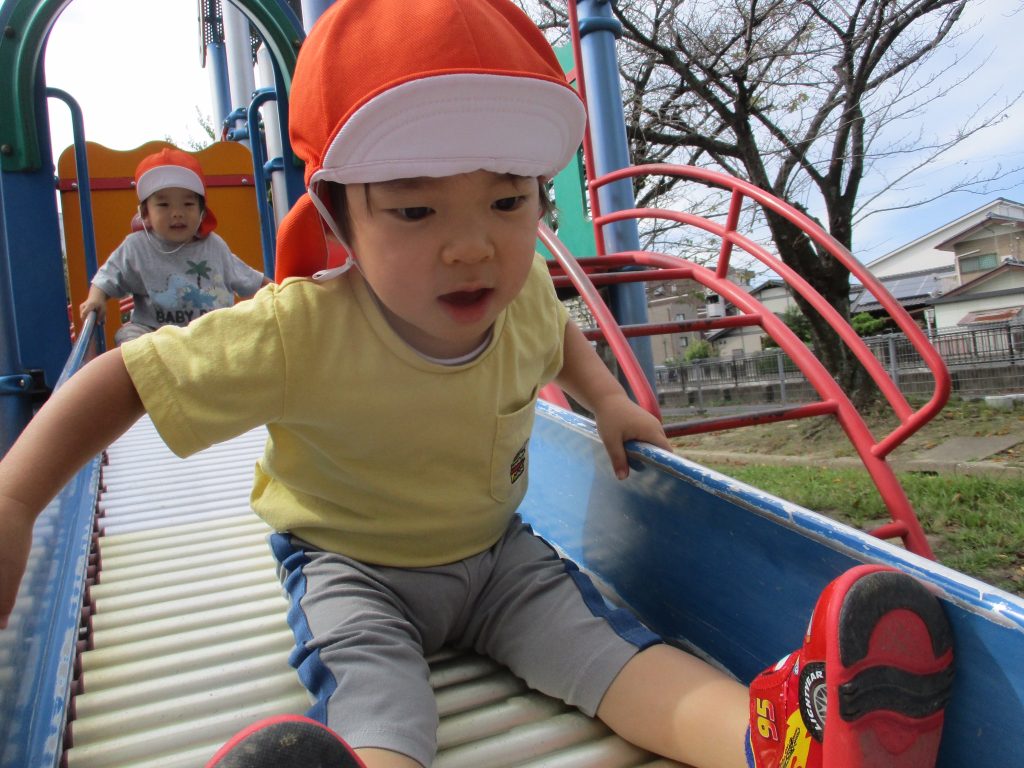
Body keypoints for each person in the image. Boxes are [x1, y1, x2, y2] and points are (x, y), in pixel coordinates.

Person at [0, 1, 953, 767]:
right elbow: (128, 377)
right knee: (380, 703)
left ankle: (777, 739)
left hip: (498, 561)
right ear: (336, 216)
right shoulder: (297, 329)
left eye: (507, 200)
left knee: (616, 657)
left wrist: (607, 399)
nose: (473, 246)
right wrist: (15, 497)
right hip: (351, 567)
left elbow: (559, 340)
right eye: (415, 210)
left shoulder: (523, 289)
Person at [78, 147, 270, 345]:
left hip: (210, 335)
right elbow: (107, 277)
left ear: (202, 212)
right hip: (155, 335)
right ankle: (147, 363)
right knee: (129, 336)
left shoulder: (214, 246)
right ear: (145, 213)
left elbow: (253, 280)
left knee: (241, 333)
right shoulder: (136, 246)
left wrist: (280, 292)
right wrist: (95, 299)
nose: (177, 213)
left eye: (188, 204)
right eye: (164, 205)